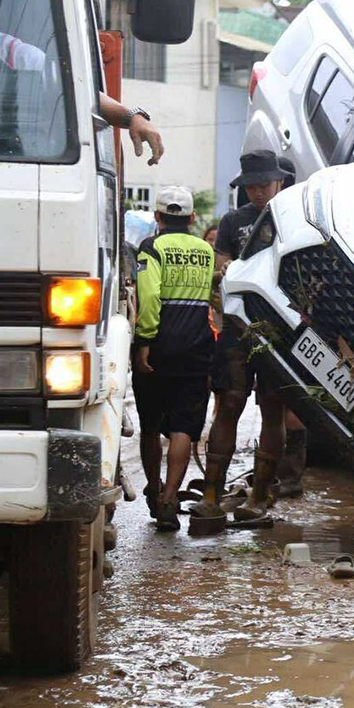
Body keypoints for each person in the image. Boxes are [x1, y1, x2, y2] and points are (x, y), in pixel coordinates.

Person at [192, 151, 292, 528]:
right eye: (250, 185)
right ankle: (211, 495)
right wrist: (227, 277)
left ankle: (261, 495)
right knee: (230, 402)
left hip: (279, 333)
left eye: (263, 184)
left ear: (278, 182)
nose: (257, 191)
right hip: (237, 329)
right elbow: (219, 272)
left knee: (272, 406)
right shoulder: (234, 221)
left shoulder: (291, 219)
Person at [132, 187, 215, 531]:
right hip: (197, 346)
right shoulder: (206, 251)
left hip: (160, 346)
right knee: (184, 425)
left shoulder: (151, 248)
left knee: (151, 424)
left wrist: (145, 340)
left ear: (158, 217)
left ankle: (153, 491)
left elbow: (149, 296)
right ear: (192, 218)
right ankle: (170, 496)